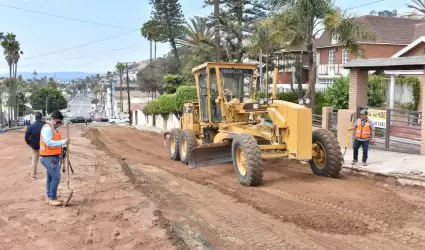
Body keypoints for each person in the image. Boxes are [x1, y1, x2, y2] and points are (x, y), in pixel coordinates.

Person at [39, 110, 70, 206]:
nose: (59, 124)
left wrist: (60, 153)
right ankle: (52, 198)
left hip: (52, 156)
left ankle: (50, 197)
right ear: (53, 120)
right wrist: (63, 142)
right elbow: (49, 143)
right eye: (58, 122)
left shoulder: (53, 128)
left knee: (50, 178)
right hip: (48, 157)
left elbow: (54, 143)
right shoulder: (47, 129)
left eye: (60, 122)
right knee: (56, 177)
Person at [25, 112, 45, 179]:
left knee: (34, 161)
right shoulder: (45, 125)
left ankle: (33, 175)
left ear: (35, 118)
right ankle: (49, 174)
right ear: (41, 118)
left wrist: (29, 143)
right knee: (47, 160)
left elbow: (26, 137)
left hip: (35, 146)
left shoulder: (30, 126)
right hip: (44, 146)